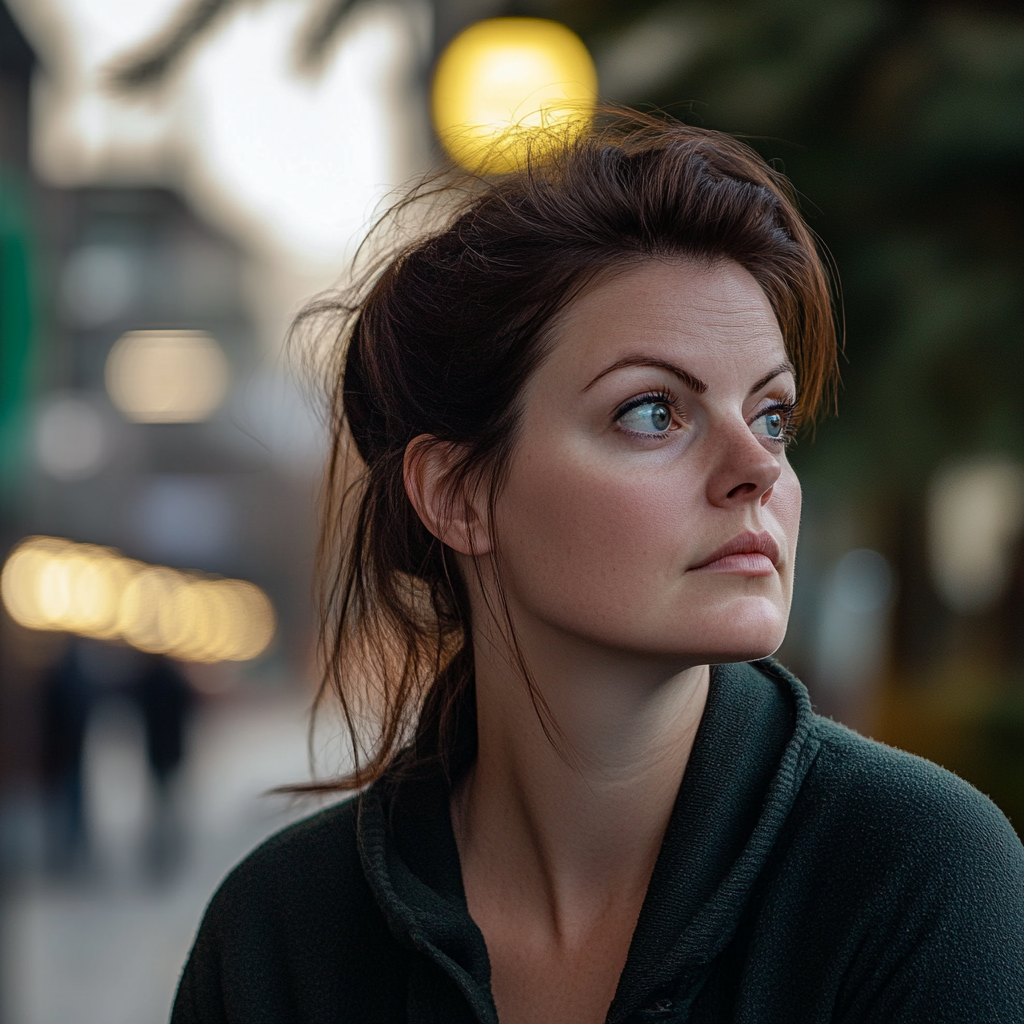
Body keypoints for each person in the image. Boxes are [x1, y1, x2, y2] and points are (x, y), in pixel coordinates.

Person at [171, 112, 1024, 1023]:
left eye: (771, 415)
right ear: (457, 492)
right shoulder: (281, 934)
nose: (759, 468)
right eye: (653, 411)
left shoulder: (917, 874)